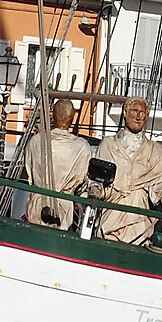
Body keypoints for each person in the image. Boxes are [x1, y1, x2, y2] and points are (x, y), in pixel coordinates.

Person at [93, 95, 162, 246]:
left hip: (139, 221)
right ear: (125, 112)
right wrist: (95, 190)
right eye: (134, 111)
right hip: (111, 216)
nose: (138, 116)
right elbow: (96, 178)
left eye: (142, 113)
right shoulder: (108, 145)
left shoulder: (156, 151)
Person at [23, 93, 93, 227]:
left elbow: (29, 174)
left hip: (37, 204)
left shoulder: (36, 141)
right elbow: (83, 183)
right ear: (72, 118)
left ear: (52, 116)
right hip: (63, 208)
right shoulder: (82, 147)